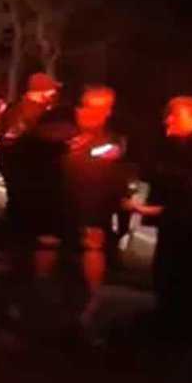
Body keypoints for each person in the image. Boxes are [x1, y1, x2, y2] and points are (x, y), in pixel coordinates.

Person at [130, 96, 192, 342]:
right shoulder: (176, 143)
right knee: (168, 266)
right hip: (176, 216)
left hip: (189, 217)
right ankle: (169, 316)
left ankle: (183, 323)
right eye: (168, 114)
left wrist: (161, 174)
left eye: (175, 115)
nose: (168, 120)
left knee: (184, 268)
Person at [43, 85, 131, 342]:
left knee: (90, 249)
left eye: (98, 108)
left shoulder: (109, 141)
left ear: (107, 111)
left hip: (93, 206)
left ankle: (88, 307)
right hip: (63, 201)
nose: (88, 113)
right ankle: (51, 302)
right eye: (86, 106)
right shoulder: (65, 135)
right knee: (54, 249)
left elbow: (109, 166)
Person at [0, 72, 74, 323]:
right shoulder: (27, 113)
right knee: (29, 243)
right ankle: (21, 300)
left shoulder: (24, 111)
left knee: (31, 243)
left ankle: (22, 297)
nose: (54, 94)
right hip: (31, 188)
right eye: (51, 90)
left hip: (29, 186)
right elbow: (17, 146)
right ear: (43, 90)